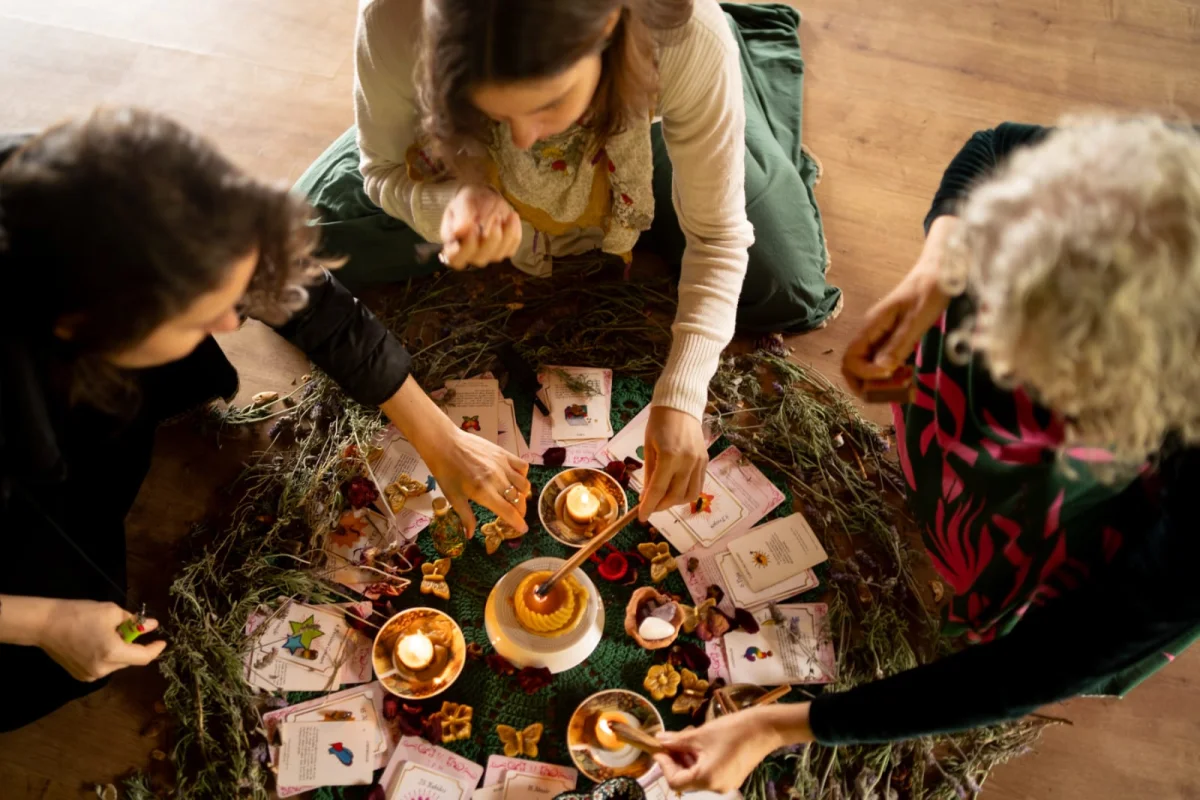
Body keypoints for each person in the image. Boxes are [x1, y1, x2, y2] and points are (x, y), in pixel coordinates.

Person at [651, 116, 1200, 791]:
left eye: (1032, 368)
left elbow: (1060, 656)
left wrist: (778, 727)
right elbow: (994, 148)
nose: (971, 347)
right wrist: (935, 276)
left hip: (1079, 516)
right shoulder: (1150, 188)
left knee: (1020, 589)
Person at [0, 108, 533, 731]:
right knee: (40, 674)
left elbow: (298, 291)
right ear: (88, 333)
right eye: (207, 317)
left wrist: (438, 436)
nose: (235, 326)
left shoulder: (123, 209)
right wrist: (41, 621)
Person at [295, 0, 842, 520]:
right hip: (460, 152)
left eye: (546, 103)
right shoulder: (398, 18)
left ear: (604, 32)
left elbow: (719, 236)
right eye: (493, 108)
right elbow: (385, 168)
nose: (525, 138)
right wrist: (453, 198)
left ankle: (738, 64)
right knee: (301, 244)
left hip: (642, 118)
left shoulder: (680, 32)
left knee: (783, 286)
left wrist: (682, 395)